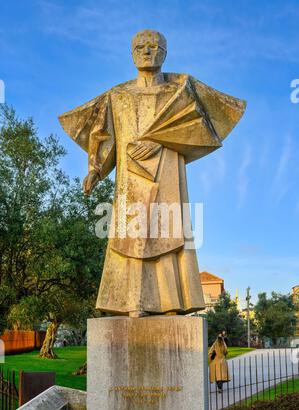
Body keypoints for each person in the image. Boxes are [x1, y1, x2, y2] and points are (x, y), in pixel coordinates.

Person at [59, 29, 245, 317]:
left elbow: (197, 128)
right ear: (132, 53)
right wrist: (95, 171)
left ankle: (172, 302)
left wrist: (158, 140)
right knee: (130, 238)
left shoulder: (179, 93)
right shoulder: (118, 96)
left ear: (164, 53)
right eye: (140, 47)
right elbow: (105, 135)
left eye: (154, 46)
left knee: (168, 233)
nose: (147, 51)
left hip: (167, 172)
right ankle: (133, 303)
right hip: (130, 177)